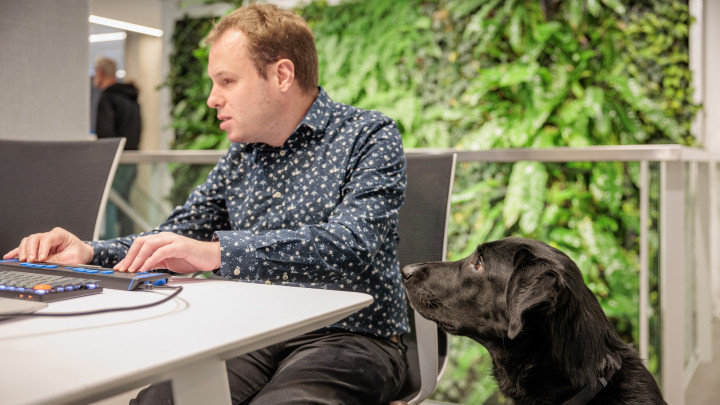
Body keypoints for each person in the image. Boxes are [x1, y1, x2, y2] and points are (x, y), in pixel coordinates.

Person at [5, 4, 409, 404]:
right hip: (256, 330)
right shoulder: (243, 154)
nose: (213, 99)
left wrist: (216, 254)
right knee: (157, 402)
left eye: (227, 81)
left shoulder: (368, 136)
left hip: (353, 335)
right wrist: (90, 251)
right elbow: (179, 235)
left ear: (282, 75)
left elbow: (352, 244)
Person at [93, 56, 142, 238]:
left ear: (99, 73)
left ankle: (110, 249)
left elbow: (105, 136)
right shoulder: (131, 97)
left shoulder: (108, 98)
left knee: (110, 204)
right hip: (132, 161)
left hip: (115, 161)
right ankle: (130, 244)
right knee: (125, 206)